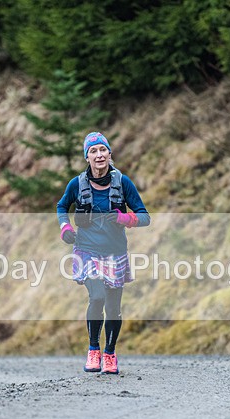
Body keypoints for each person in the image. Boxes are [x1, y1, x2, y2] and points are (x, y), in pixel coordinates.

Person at [56, 132, 150, 374]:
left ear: (110, 154)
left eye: (102, 150)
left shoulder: (123, 183)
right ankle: (93, 349)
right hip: (86, 250)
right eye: (93, 151)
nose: (99, 155)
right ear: (87, 157)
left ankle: (109, 353)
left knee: (113, 307)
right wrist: (65, 227)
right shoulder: (76, 184)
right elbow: (61, 206)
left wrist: (125, 218)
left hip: (115, 252)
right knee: (96, 296)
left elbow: (144, 216)